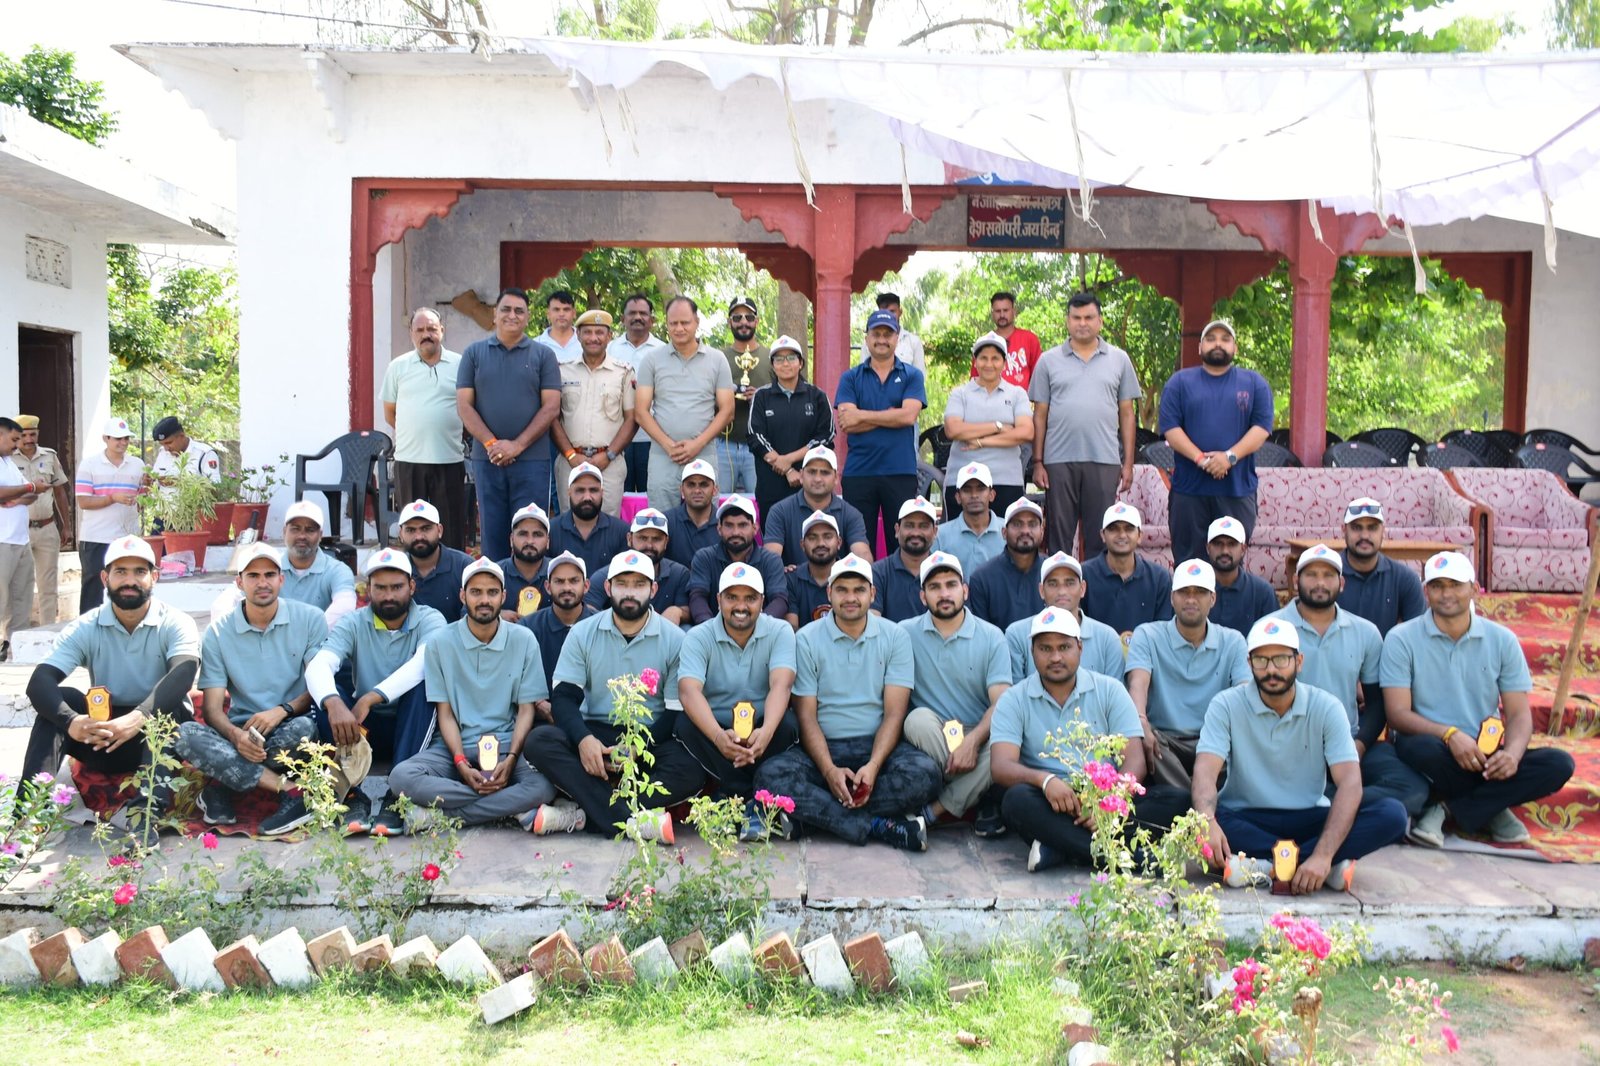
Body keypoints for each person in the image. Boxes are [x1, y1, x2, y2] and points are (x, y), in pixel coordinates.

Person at [1194, 616, 1409, 893]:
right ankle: (1322, 866)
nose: (1271, 670)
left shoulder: (1326, 706)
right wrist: (1207, 822)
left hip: (1309, 817)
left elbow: (1350, 782)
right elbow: (1205, 772)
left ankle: (1266, 867)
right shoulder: (1226, 704)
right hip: (1246, 816)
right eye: (1261, 660)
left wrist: (1323, 854)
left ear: (1299, 661)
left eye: (1281, 659)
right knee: (1194, 819)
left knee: (1392, 815)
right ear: (1249, 663)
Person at [1381, 551, 1576, 847]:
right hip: (1433, 745)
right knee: (1420, 748)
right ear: (1426, 592)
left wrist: (1512, 755)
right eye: (1437, 586)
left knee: (1558, 764)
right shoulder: (1401, 638)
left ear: (1474, 589)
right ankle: (1492, 809)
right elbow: (1397, 714)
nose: (1446, 594)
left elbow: (1519, 714)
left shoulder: (1502, 639)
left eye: (1455, 585)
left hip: (1485, 748)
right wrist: (1450, 735)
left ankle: (1447, 808)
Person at [754, 556, 943, 850]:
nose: (851, 598)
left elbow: (894, 715)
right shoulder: (806, 639)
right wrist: (829, 771)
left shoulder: (895, 637)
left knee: (926, 774)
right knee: (769, 777)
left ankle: (815, 820)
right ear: (829, 593)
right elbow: (807, 717)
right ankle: (877, 825)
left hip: (877, 747)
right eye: (842, 590)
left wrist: (874, 766)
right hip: (824, 748)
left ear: (872, 593)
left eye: (859, 590)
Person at [991, 607, 1187, 872]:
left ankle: (1060, 847)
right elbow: (1001, 766)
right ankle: (1125, 859)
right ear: (1032, 651)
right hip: (1052, 801)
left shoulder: (1109, 690)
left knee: (1177, 801)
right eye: (1045, 649)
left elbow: (1135, 761)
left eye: (1064, 647)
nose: (1055, 657)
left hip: (1105, 795)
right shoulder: (1014, 699)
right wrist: (1046, 781)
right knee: (1016, 801)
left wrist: (1110, 804)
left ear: (1080, 648)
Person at [528, 550, 705, 839]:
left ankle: (587, 813)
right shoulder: (583, 633)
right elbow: (563, 699)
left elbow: (675, 712)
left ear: (653, 589)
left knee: (691, 768)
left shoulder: (675, 639)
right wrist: (584, 740)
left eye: (639, 584)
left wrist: (637, 748)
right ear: (608, 587)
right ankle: (631, 819)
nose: (630, 593)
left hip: (648, 738)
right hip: (595, 732)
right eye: (622, 584)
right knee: (540, 741)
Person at [20, 536, 199, 810]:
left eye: (139, 572)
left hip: (155, 735)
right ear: (105, 578)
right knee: (62, 700)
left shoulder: (176, 622)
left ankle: (148, 812)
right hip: (103, 736)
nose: (130, 580)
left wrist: (138, 718)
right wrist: (72, 721)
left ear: (154, 577)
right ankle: (27, 813)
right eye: (121, 572)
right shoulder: (86, 626)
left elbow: (184, 673)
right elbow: (39, 682)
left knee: (172, 710)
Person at [390, 557, 556, 828]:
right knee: (401, 778)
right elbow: (445, 714)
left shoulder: (523, 639)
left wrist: (512, 758)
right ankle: (506, 804)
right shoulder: (440, 642)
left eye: (492, 592)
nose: (484, 600)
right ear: (462, 595)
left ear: (503, 596)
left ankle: (443, 817)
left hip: (507, 745)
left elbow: (527, 709)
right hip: (454, 747)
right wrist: (459, 762)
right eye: (476, 592)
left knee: (544, 785)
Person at [1268, 544, 1429, 820]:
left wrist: (1359, 745)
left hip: (1348, 742)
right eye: (1311, 575)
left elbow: (1376, 704)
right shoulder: (1270, 630)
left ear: (1341, 584)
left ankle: (1324, 804)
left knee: (1412, 788)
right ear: (1295, 581)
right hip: (1290, 746)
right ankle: (1344, 809)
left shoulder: (1365, 632)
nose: (1320, 583)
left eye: (1328, 576)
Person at [177, 543, 327, 836]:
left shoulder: (310, 619)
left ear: (281, 579)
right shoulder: (218, 632)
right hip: (240, 733)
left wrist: (281, 711)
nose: (262, 583)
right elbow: (212, 709)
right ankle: (292, 791)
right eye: (253, 575)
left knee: (305, 730)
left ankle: (221, 786)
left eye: (269, 574)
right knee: (185, 733)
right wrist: (236, 736)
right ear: (239, 582)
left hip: (289, 725)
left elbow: (318, 685)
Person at [306, 547, 447, 836]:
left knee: (424, 688)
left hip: (411, 728)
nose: (388, 595)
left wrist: (371, 697)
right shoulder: (354, 622)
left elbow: (423, 664)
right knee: (325, 696)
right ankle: (352, 795)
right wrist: (334, 703)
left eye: (396, 587)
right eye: (380, 588)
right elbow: (319, 665)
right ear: (368, 589)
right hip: (362, 729)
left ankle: (398, 795)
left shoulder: (430, 619)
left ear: (411, 586)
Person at [676, 562, 799, 837]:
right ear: (718, 599)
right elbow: (688, 691)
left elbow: (782, 684)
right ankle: (752, 801)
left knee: (788, 725)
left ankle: (729, 801)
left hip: (761, 724)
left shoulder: (780, 631)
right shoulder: (698, 636)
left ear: (762, 601)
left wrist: (766, 732)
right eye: (732, 597)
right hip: (717, 726)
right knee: (684, 725)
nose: (741, 606)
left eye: (750, 598)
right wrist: (718, 736)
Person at [899, 552, 1011, 835]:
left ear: (965, 591)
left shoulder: (992, 636)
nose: (944, 594)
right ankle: (974, 793)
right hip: (934, 736)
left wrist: (972, 742)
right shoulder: (904, 634)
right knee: (916, 720)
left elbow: (1001, 703)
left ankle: (936, 810)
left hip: (980, 735)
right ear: (923, 596)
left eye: (951, 585)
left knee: (1004, 748)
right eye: (934, 587)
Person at [1030, 292, 1142, 558]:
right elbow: (1039, 415)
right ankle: (1058, 586)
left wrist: (1128, 463)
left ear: (1100, 321)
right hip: (1058, 461)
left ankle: (1095, 586)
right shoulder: (1048, 360)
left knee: (1100, 537)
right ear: (1067, 321)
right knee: (1059, 537)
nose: (1083, 323)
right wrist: (1038, 462)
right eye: (1076, 317)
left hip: (1104, 459)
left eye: (1089, 317)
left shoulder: (1119, 359)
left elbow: (1127, 414)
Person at [457, 286, 563, 562]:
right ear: (495, 314)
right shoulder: (473, 354)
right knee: (492, 534)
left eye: (519, 311)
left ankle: (532, 587)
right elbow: (464, 406)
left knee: (531, 533)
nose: (512, 315)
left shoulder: (543, 355)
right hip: (487, 459)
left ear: (528, 317)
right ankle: (494, 585)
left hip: (532, 461)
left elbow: (551, 407)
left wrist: (517, 445)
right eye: (505, 309)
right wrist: (493, 444)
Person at [1127, 560, 1251, 790]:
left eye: (1200, 592)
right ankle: (1199, 796)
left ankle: (1186, 797)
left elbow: (1244, 693)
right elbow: (1138, 683)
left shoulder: (1233, 641)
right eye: (1184, 592)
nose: (1191, 599)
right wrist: (1140, 720)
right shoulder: (1148, 635)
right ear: (1172, 597)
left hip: (1214, 740)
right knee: (1144, 739)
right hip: (1165, 742)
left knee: (1240, 745)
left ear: (1212, 598)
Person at [1159, 320, 1274, 564]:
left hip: (1236, 490)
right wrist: (1201, 460)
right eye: (1210, 339)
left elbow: (1261, 428)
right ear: (1200, 347)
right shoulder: (1179, 383)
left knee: (1229, 564)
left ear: (1235, 348)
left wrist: (1229, 458)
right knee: (1189, 565)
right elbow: (1170, 428)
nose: (1218, 344)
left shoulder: (1254, 383)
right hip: (1189, 491)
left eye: (1225, 339)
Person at [836, 309, 926, 557]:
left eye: (888, 334)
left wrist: (863, 415)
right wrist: (890, 415)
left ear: (897, 338)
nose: (882, 339)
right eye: (876, 334)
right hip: (859, 473)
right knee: (857, 548)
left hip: (900, 472)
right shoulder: (850, 378)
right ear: (866, 338)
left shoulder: (912, 375)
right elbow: (847, 423)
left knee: (903, 546)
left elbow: (908, 417)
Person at [635, 296, 735, 513]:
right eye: (673, 323)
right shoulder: (652, 360)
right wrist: (668, 445)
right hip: (663, 455)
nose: (679, 328)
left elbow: (727, 411)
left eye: (685, 322)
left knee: (706, 519)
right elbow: (641, 412)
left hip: (703, 452)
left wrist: (697, 444)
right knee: (661, 520)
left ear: (697, 322)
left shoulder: (717, 360)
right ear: (666, 324)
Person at [380, 308, 466, 549]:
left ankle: (452, 571)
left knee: (451, 529)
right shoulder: (398, 367)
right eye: (420, 329)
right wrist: (418, 430)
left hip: (449, 459)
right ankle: (414, 571)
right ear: (411, 333)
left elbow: (470, 408)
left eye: (431, 329)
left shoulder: (461, 364)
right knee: (413, 528)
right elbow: (390, 413)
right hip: (409, 461)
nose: (426, 334)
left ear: (442, 331)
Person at [207, 500, 358, 626]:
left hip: (319, 645)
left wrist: (311, 636)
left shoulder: (337, 570)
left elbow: (345, 605)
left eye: (309, 530)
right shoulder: (269, 566)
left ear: (320, 535)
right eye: (295, 529)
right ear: (284, 532)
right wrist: (229, 636)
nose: (302, 536)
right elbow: (224, 602)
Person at [552, 309, 636, 516]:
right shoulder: (561, 371)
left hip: (610, 463)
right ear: (578, 335)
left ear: (609, 336)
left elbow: (632, 419)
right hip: (570, 461)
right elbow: (552, 418)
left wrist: (608, 455)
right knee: (568, 521)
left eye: (600, 332)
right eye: (587, 332)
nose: (593, 338)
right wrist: (571, 455)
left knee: (608, 523)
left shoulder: (623, 372)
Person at [749, 334, 836, 529]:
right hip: (770, 486)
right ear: (772, 365)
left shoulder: (817, 396)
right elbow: (755, 437)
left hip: (809, 485)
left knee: (811, 537)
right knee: (774, 539)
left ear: (801, 363)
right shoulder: (761, 396)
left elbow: (826, 436)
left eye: (791, 358)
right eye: (779, 359)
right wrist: (787, 469)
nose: (785, 363)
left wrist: (790, 460)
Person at [944, 332, 1033, 513]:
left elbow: (1026, 432)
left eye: (995, 358)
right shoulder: (960, 394)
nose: (989, 364)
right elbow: (953, 429)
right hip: (963, 482)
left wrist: (981, 442)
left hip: (1006, 480)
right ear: (975, 362)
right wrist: (997, 426)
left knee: (1005, 531)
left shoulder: (1017, 394)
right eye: (983, 358)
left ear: (1004, 362)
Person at [1005, 551, 1125, 683]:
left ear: (1082, 588)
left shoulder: (1107, 638)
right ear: (1041, 590)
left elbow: (1114, 692)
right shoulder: (1017, 634)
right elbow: (1015, 692)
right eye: (1053, 583)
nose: (1062, 591)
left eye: (1069, 583)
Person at [75, 418, 145, 611]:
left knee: (127, 585)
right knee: (94, 588)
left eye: (126, 439)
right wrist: (112, 498)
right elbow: (84, 502)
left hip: (127, 537)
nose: (123, 443)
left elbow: (144, 500)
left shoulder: (138, 464)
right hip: (96, 536)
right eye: (118, 438)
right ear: (106, 438)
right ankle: (89, 626)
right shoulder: (89, 464)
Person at [761, 445, 869, 567]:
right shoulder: (779, 511)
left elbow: (863, 554)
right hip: (793, 579)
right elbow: (771, 557)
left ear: (836, 478)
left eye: (825, 473)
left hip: (839, 579)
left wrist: (857, 573)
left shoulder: (851, 514)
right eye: (812, 472)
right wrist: (780, 572)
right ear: (801, 475)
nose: (817, 479)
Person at [688, 495, 788, 624]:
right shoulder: (704, 557)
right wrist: (710, 628)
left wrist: (756, 628)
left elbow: (779, 600)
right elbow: (697, 596)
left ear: (755, 528)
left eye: (743, 525)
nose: (735, 532)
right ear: (719, 529)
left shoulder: (770, 560)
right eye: (729, 525)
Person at [1081, 503, 1174, 639]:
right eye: (1113, 529)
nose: (1122, 535)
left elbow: (1163, 633)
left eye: (1129, 529)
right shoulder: (1084, 574)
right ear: (1103, 535)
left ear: (1140, 535)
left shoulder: (1160, 578)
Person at [584, 507, 691, 625]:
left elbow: (688, 611)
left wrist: (677, 611)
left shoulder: (679, 574)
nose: (649, 545)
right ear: (629, 539)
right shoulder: (606, 575)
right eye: (642, 538)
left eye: (656, 539)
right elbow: (588, 612)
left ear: (666, 542)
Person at [1337, 498, 1426, 638]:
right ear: (1344, 530)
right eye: (1356, 528)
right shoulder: (1327, 576)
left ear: (1383, 531)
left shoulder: (1405, 579)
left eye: (1372, 528)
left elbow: (1417, 638)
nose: (1364, 535)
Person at [607, 292, 667, 495]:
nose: (637, 317)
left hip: (652, 438)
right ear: (622, 318)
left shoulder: (663, 351)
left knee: (649, 495)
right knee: (619, 496)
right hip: (616, 438)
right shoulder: (610, 350)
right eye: (632, 313)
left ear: (652, 320)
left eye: (643, 313)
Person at [15, 415, 72, 627]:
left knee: (48, 585)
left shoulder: (49, 456)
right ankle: (17, 633)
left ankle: (47, 630)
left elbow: (60, 492)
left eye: (33, 434)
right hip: (19, 530)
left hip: (47, 527)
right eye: (24, 435)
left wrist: (67, 526)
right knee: (19, 585)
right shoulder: (7, 460)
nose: (29, 439)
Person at [521, 551, 597, 708]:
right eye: (559, 581)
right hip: (541, 715)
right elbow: (516, 678)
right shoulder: (528, 628)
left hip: (592, 715)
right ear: (548, 587)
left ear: (586, 586)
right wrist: (538, 703)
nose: (567, 587)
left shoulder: (601, 626)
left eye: (574, 581)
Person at [716, 295, 770, 496]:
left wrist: (760, 398)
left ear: (757, 321)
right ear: (729, 322)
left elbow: (783, 398)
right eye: (737, 318)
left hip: (760, 445)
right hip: (723, 443)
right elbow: (704, 396)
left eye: (749, 317)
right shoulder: (717, 357)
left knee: (759, 502)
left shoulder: (772, 357)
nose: (743, 322)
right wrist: (724, 396)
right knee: (719, 502)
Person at [967, 497, 1046, 629]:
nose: (1025, 531)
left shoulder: (1054, 573)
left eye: (1032, 524)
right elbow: (982, 634)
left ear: (1042, 532)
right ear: (1004, 532)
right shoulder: (982, 578)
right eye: (1017, 524)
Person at [397, 499, 473, 623]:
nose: (419, 536)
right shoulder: (395, 568)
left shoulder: (464, 566)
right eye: (410, 530)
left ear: (439, 530)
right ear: (401, 534)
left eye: (426, 529)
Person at [548, 463, 629, 576]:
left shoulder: (621, 532)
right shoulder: (551, 531)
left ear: (602, 493)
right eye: (580, 490)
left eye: (593, 490)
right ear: (569, 492)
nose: (587, 497)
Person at [0, 417, 36, 659]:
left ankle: (18, 650)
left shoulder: (9, 462)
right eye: (14, 439)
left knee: (22, 599)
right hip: (2, 541)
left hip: (21, 540)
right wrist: (28, 488)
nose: (17, 445)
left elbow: (32, 494)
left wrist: (21, 493)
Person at [1204, 517, 1277, 637]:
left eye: (1232, 544)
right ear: (1208, 548)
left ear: (1243, 549)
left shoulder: (1262, 592)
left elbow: (1272, 638)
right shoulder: (1194, 590)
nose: (1225, 551)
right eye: (1218, 544)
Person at [872, 496, 938, 623]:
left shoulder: (946, 570)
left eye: (923, 526)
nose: (916, 533)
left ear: (935, 532)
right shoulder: (878, 572)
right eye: (909, 526)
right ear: (897, 530)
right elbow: (874, 623)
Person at [933, 462, 1004, 577]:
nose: (974, 495)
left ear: (992, 495)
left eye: (981, 489)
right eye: (967, 490)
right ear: (958, 497)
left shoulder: (1008, 531)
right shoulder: (940, 535)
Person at [785, 511, 842, 629]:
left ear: (839, 542)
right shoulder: (791, 579)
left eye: (827, 537)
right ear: (802, 545)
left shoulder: (851, 576)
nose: (820, 543)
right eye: (812, 538)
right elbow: (791, 628)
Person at [664, 459, 723, 568]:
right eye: (691, 485)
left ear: (715, 490)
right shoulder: (666, 521)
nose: (697, 490)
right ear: (682, 490)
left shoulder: (726, 524)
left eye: (704, 485)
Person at [497, 502, 551, 621]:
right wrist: (496, 616)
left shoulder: (559, 572)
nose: (530, 541)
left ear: (548, 542)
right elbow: (467, 612)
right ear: (511, 540)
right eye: (523, 534)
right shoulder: (494, 573)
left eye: (537, 535)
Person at [982, 290, 1042, 394]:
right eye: (998, 311)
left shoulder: (1029, 339)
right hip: (990, 400)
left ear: (1014, 311)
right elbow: (975, 379)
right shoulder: (984, 342)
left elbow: (1039, 377)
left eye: (1005, 310)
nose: (1002, 315)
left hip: (1021, 401)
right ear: (992, 314)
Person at [149, 416, 222, 484]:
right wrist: (149, 481)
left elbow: (215, 486)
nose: (166, 448)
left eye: (169, 443)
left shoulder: (204, 454)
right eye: (162, 444)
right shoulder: (163, 452)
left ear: (182, 436)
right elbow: (156, 481)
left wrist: (179, 482)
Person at [876, 292, 925, 372]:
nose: (888, 316)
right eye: (884, 312)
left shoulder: (913, 341)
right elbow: (863, 376)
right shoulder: (870, 343)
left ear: (900, 312)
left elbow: (920, 375)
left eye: (892, 311)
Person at [536, 288, 583, 363]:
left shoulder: (586, 341)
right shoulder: (536, 345)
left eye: (566, 309)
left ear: (574, 313)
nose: (561, 314)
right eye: (556, 310)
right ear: (548, 314)